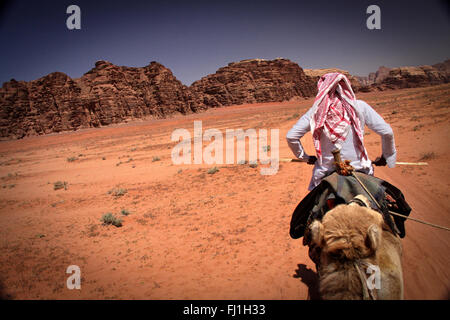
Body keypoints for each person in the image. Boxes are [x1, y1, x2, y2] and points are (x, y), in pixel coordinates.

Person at [286, 72, 396, 191]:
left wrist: (306, 158)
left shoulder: (315, 111)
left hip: (326, 173)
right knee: (387, 203)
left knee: (307, 208)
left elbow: (291, 136)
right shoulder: (360, 107)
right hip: (360, 170)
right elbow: (387, 132)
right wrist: (386, 156)